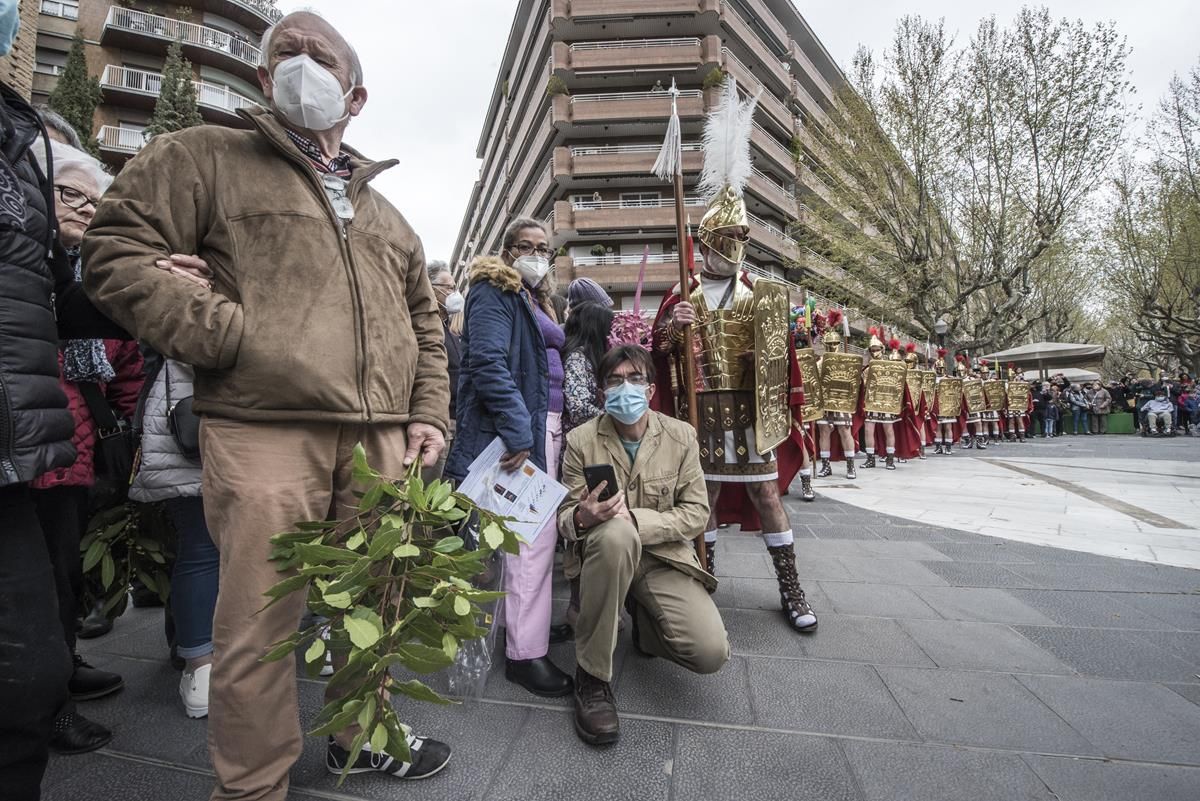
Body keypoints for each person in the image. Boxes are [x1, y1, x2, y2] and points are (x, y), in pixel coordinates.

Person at [83, 12, 453, 797]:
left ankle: (366, 734)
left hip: (385, 438)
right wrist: (223, 334)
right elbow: (113, 249)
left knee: (377, 602)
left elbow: (425, 321)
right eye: (285, 50)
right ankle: (253, 784)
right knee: (257, 622)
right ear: (260, 78)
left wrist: (429, 413)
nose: (301, 61)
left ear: (356, 96)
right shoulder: (206, 157)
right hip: (263, 430)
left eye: (321, 55)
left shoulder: (388, 215)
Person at [0, 3, 130, 795]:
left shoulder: (17, 146)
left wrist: (140, 287)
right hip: (40, 439)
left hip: (24, 444)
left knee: (31, 664)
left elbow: (56, 301)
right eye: (75, 203)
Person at [652, 78, 816, 633]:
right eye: (727, 238)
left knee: (768, 492)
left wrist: (789, 411)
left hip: (751, 411)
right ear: (707, 241)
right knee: (708, 493)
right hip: (703, 410)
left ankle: (791, 588)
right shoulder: (684, 294)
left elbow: (783, 363)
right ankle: (705, 579)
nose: (734, 246)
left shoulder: (764, 295)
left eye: (740, 237)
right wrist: (675, 330)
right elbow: (663, 356)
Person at [27, 141, 139, 755]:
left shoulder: (71, 268)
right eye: (70, 194)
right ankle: (46, 707)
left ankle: (60, 674)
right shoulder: (29, 263)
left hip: (70, 448)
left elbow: (113, 357)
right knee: (36, 581)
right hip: (27, 444)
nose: (83, 209)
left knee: (63, 572)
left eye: (94, 203)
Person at [559, 345, 729, 745]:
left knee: (710, 653)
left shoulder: (680, 435)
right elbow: (564, 518)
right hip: (605, 555)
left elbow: (696, 513)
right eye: (615, 381)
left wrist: (637, 519)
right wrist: (584, 516)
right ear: (602, 391)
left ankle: (645, 625)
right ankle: (592, 677)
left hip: (661, 559)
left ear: (651, 389)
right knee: (617, 535)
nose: (625, 388)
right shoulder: (581, 440)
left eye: (634, 379)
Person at [445, 217, 574, 698]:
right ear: (507, 250)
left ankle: (527, 630)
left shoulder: (534, 296)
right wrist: (520, 429)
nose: (537, 253)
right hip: (522, 430)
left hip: (543, 423)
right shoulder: (494, 289)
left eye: (544, 247)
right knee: (529, 540)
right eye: (526, 245)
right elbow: (487, 362)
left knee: (531, 537)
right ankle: (525, 655)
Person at [128, 351, 219, 719]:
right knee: (210, 549)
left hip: (188, 413)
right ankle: (202, 663)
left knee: (199, 549)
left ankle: (200, 667)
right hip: (219, 419)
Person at [562, 301, 615, 436]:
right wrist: (616, 421)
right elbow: (578, 408)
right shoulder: (576, 359)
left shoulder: (591, 359)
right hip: (581, 440)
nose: (611, 336)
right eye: (609, 330)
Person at [428, 260, 464, 423]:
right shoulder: (423, 327)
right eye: (448, 287)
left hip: (459, 417)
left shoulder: (451, 329)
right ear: (430, 287)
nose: (454, 293)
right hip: (438, 417)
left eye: (455, 287)